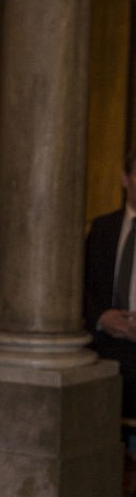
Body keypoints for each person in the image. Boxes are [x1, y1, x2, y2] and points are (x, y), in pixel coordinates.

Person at [84, 149, 136, 422]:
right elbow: (78, 288)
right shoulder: (103, 229)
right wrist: (103, 317)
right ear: (125, 179)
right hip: (105, 347)